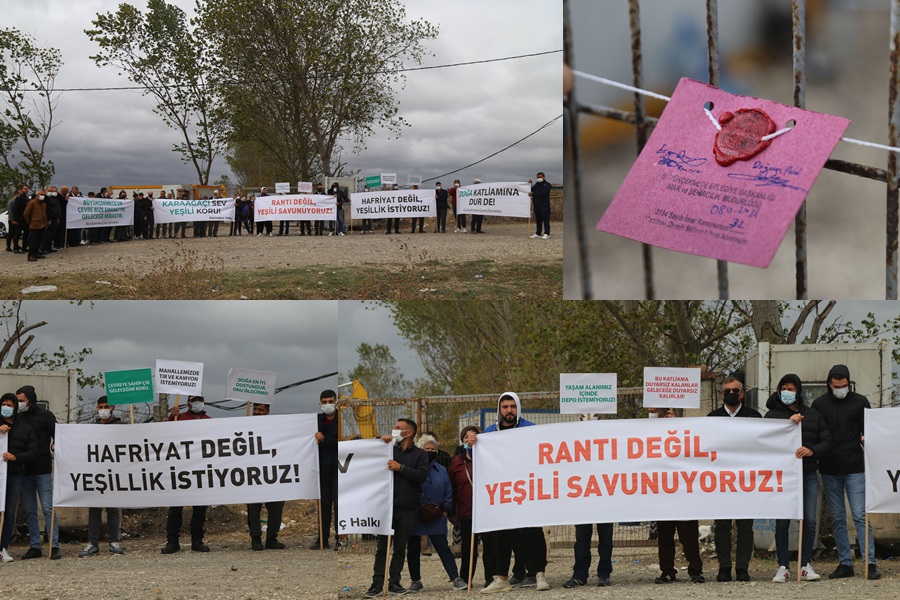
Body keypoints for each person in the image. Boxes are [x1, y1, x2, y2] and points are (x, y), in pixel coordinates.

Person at [811, 364, 880, 580]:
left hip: (855, 467)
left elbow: (871, 429)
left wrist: (867, 438)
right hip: (829, 467)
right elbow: (815, 432)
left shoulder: (860, 402)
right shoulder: (819, 404)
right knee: (838, 518)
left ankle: (870, 562)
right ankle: (845, 563)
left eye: (844, 385)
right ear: (829, 385)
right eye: (836, 386)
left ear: (848, 383)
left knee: (860, 515)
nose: (841, 389)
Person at [764, 374, 831, 582]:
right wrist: (787, 422)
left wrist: (812, 451)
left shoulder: (812, 415)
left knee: (809, 520)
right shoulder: (771, 416)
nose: (787, 392)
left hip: (808, 473)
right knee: (782, 521)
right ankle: (783, 566)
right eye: (783, 388)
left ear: (798, 391)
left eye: (791, 388)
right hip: (783, 476)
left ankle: (804, 564)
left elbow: (827, 441)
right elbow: (764, 439)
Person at [481, 392, 550, 593]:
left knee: (532, 533)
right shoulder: (490, 433)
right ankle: (502, 578)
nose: (509, 410)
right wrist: (471, 444)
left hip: (527, 490)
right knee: (501, 535)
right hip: (503, 492)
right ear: (499, 409)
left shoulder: (531, 429)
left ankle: (539, 575)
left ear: (518, 408)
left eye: (512, 406)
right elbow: (475, 456)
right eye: (505, 407)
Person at [364, 418, 428, 598]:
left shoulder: (420, 455)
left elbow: (421, 475)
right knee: (383, 547)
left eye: (398, 428)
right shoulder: (388, 449)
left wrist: (401, 468)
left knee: (400, 547)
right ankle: (377, 584)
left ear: (409, 433)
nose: (394, 430)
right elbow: (369, 455)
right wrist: (379, 441)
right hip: (387, 507)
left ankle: (394, 582)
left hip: (407, 508)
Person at [707, 376, 761, 581]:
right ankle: (724, 567)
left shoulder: (753, 417)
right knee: (722, 525)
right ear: (722, 394)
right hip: (721, 480)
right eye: (727, 391)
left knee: (746, 526)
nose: (731, 394)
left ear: (742, 393)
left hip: (746, 479)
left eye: (735, 391)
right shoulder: (712, 418)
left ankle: (742, 568)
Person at [650, 407, 705, 584]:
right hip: (661, 488)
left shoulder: (684, 429)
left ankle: (695, 569)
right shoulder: (647, 428)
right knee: (664, 533)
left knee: (688, 533)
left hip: (683, 488)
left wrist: (676, 423)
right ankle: (667, 570)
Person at [406, 434, 467, 592]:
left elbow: (448, 490)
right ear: (419, 450)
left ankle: (455, 578)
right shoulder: (412, 469)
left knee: (443, 547)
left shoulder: (442, 471)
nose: (430, 451)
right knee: (413, 548)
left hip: (437, 514)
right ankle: (415, 580)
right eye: (426, 449)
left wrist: (446, 509)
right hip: (416, 514)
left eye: (433, 449)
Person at [161, 395, 212, 554]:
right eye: (194, 400)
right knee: (176, 507)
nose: (197, 403)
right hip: (180, 468)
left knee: (200, 507)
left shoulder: (210, 421)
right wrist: (171, 417)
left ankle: (197, 540)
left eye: (200, 400)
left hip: (201, 468)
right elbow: (167, 436)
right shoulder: (179, 418)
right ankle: (172, 542)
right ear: (188, 403)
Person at [15, 384, 60, 559]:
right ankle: (35, 546)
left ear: (30, 400)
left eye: (21, 400)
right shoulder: (18, 418)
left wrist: (55, 444)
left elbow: (59, 434)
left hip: (42, 468)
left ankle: (54, 545)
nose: (19, 403)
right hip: (24, 470)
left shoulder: (46, 416)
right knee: (31, 510)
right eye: (17, 400)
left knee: (48, 508)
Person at [79, 396, 126, 557]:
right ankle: (92, 543)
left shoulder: (122, 426)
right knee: (94, 509)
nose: (103, 410)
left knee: (113, 509)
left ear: (112, 407)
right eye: (100, 407)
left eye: (106, 406)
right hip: (96, 473)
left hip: (115, 473)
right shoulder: (91, 428)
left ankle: (113, 541)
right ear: (96, 408)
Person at [0, 391, 38, 563]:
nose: (6, 408)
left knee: (9, 513)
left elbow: (33, 451)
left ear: (15, 408)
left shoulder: (24, 428)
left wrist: (16, 457)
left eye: (9, 405)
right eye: (3, 404)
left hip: (14, 475)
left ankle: (3, 547)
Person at [245, 402, 285, 551]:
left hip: (272, 473)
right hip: (253, 474)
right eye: (254, 409)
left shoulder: (275, 427)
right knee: (253, 508)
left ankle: (271, 538)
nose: (256, 412)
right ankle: (256, 539)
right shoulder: (244, 426)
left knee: (276, 507)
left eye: (260, 410)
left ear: (268, 411)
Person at [449, 426, 483, 589]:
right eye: (466, 438)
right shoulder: (457, 462)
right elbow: (452, 488)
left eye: (474, 437)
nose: (470, 440)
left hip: (487, 511)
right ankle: (466, 578)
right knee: (469, 548)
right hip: (467, 512)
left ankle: (493, 577)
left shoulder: (487, 458)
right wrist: (451, 511)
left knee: (491, 546)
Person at [310, 389, 339, 550]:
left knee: (338, 503)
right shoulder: (315, 421)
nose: (328, 404)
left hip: (338, 467)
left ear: (336, 402)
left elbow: (342, 443)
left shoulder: (342, 420)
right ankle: (322, 538)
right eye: (324, 401)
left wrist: (325, 439)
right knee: (324, 504)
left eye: (330, 401)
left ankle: (339, 538)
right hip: (321, 466)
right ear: (320, 403)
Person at [22, 190, 47, 262]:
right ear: (37, 195)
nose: (43, 196)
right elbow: (26, 214)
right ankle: (31, 255)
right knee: (33, 241)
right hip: (35, 225)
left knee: (40, 240)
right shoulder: (32, 203)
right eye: (41, 194)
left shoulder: (43, 204)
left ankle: (36, 253)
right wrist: (30, 222)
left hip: (42, 224)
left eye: (44, 195)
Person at [7, 183, 29, 253]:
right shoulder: (19, 198)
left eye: (27, 189)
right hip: (20, 219)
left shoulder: (27, 198)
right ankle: (15, 248)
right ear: (21, 190)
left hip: (26, 219)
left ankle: (24, 247)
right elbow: (15, 210)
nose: (27, 190)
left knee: (26, 233)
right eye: (25, 189)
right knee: (17, 234)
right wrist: (15, 219)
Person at [529, 173, 552, 239]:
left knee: (545, 219)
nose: (539, 178)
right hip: (536, 205)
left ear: (544, 177)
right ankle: (538, 233)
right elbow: (531, 190)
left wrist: (533, 194)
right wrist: (530, 184)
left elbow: (544, 193)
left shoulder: (547, 185)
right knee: (538, 220)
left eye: (540, 177)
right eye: (537, 177)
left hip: (544, 205)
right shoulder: (536, 184)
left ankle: (547, 233)